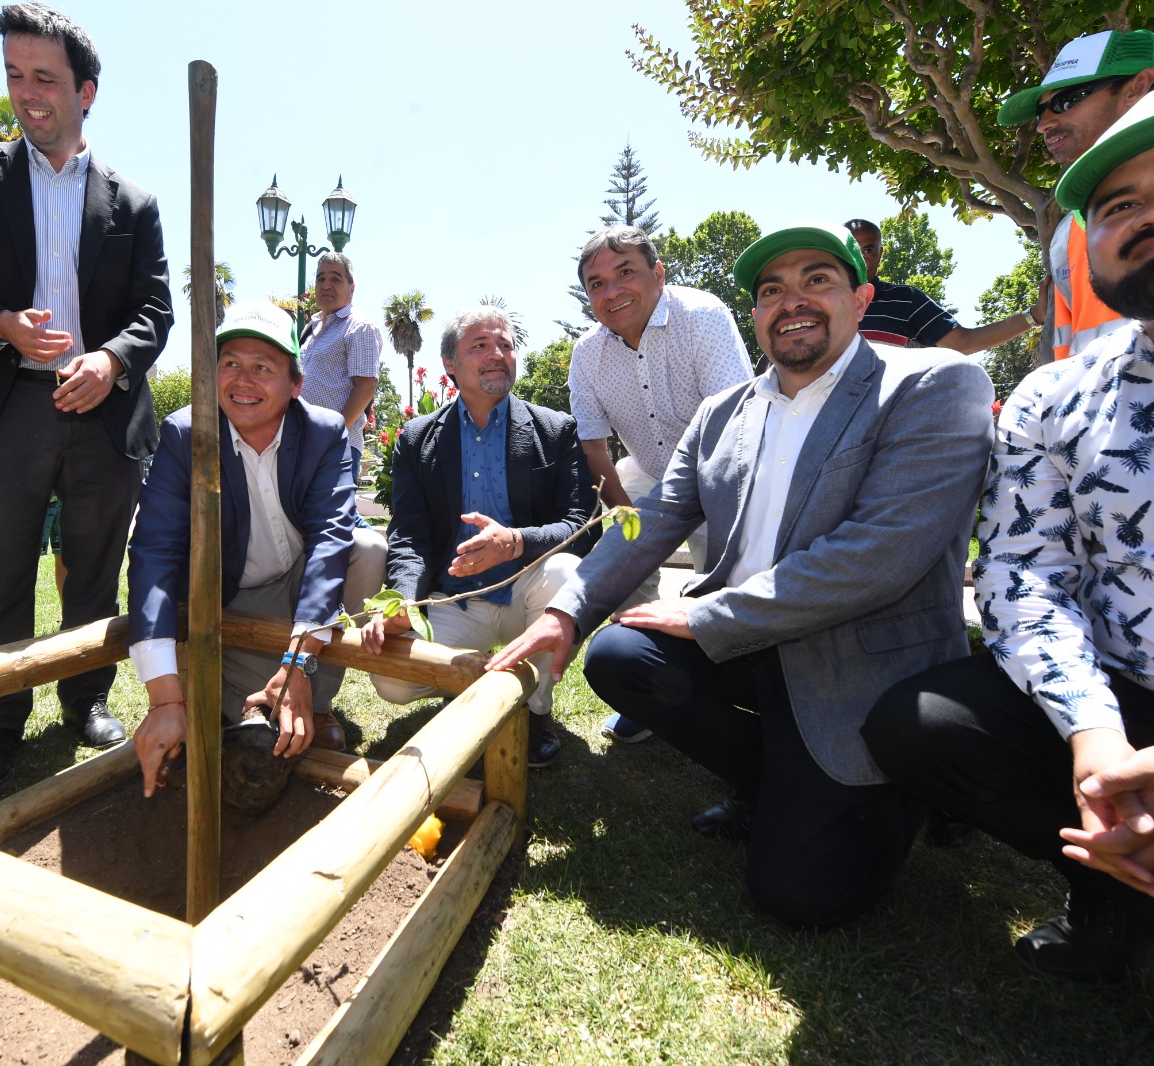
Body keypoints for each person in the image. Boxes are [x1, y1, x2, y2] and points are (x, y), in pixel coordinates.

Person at [490, 223, 994, 928]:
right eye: (771, 290)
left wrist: (705, 617)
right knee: (619, 656)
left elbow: (878, 557)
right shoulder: (723, 413)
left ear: (862, 297)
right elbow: (656, 520)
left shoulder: (935, 384)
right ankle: (772, 781)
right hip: (755, 650)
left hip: (856, 662)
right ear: (755, 315)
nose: (793, 301)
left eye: (817, 280)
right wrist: (566, 611)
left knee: (800, 897)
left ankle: (905, 790)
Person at [864, 80, 1154, 983]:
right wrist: (1095, 738)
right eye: (1120, 202)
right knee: (918, 722)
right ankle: (1132, 878)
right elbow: (1021, 572)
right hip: (1110, 688)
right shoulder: (1059, 396)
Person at [0, 3, 172, 795]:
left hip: (102, 410)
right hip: (4, 407)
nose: (27, 94)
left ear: (86, 90)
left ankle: (86, 702)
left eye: (45, 79)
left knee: (93, 569)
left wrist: (110, 360)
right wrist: (0, 323)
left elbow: (156, 310)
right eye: (14, 75)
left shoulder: (135, 202)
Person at [127, 301, 386, 794]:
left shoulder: (324, 431)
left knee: (366, 548)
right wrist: (164, 700)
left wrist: (295, 666)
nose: (242, 381)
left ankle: (314, 699)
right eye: (230, 364)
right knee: (220, 723)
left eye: (263, 368)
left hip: (297, 591)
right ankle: (235, 700)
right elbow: (153, 553)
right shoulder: (185, 434)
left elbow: (332, 539)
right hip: (220, 602)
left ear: (295, 385)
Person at [360, 306, 593, 768]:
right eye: (480, 346)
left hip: (530, 595)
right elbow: (409, 536)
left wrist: (516, 542)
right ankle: (464, 684)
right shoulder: (416, 438)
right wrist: (403, 601)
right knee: (391, 682)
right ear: (450, 363)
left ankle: (533, 711)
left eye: (504, 344)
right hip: (455, 600)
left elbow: (583, 526)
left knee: (566, 571)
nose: (496, 354)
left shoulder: (555, 429)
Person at [568, 224, 754, 744]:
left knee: (722, 585)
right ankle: (650, 689)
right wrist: (628, 520)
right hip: (647, 466)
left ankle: (732, 693)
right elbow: (593, 446)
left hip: (724, 466)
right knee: (623, 567)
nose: (611, 291)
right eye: (596, 284)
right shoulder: (587, 353)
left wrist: (699, 508)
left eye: (625, 272)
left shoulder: (703, 316)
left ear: (658, 273)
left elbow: (734, 424)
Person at [997, 29, 1154, 360]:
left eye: (1065, 100)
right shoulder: (1067, 234)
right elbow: (1069, 365)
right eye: (1039, 111)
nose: (1044, 123)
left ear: (1136, 88)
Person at [843, 217, 1049, 353]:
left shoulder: (905, 300)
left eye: (867, 251)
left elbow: (963, 342)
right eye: (851, 250)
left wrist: (1034, 315)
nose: (859, 259)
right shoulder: (815, 301)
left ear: (880, 254)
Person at [299, 251, 381, 472]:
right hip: (301, 444)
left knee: (329, 508)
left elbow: (365, 387)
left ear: (351, 288)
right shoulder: (312, 329)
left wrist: (333, 435)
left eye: (335, 279)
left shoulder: (359, 326)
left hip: (336, 446)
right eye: (321, 278)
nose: (326, 285)